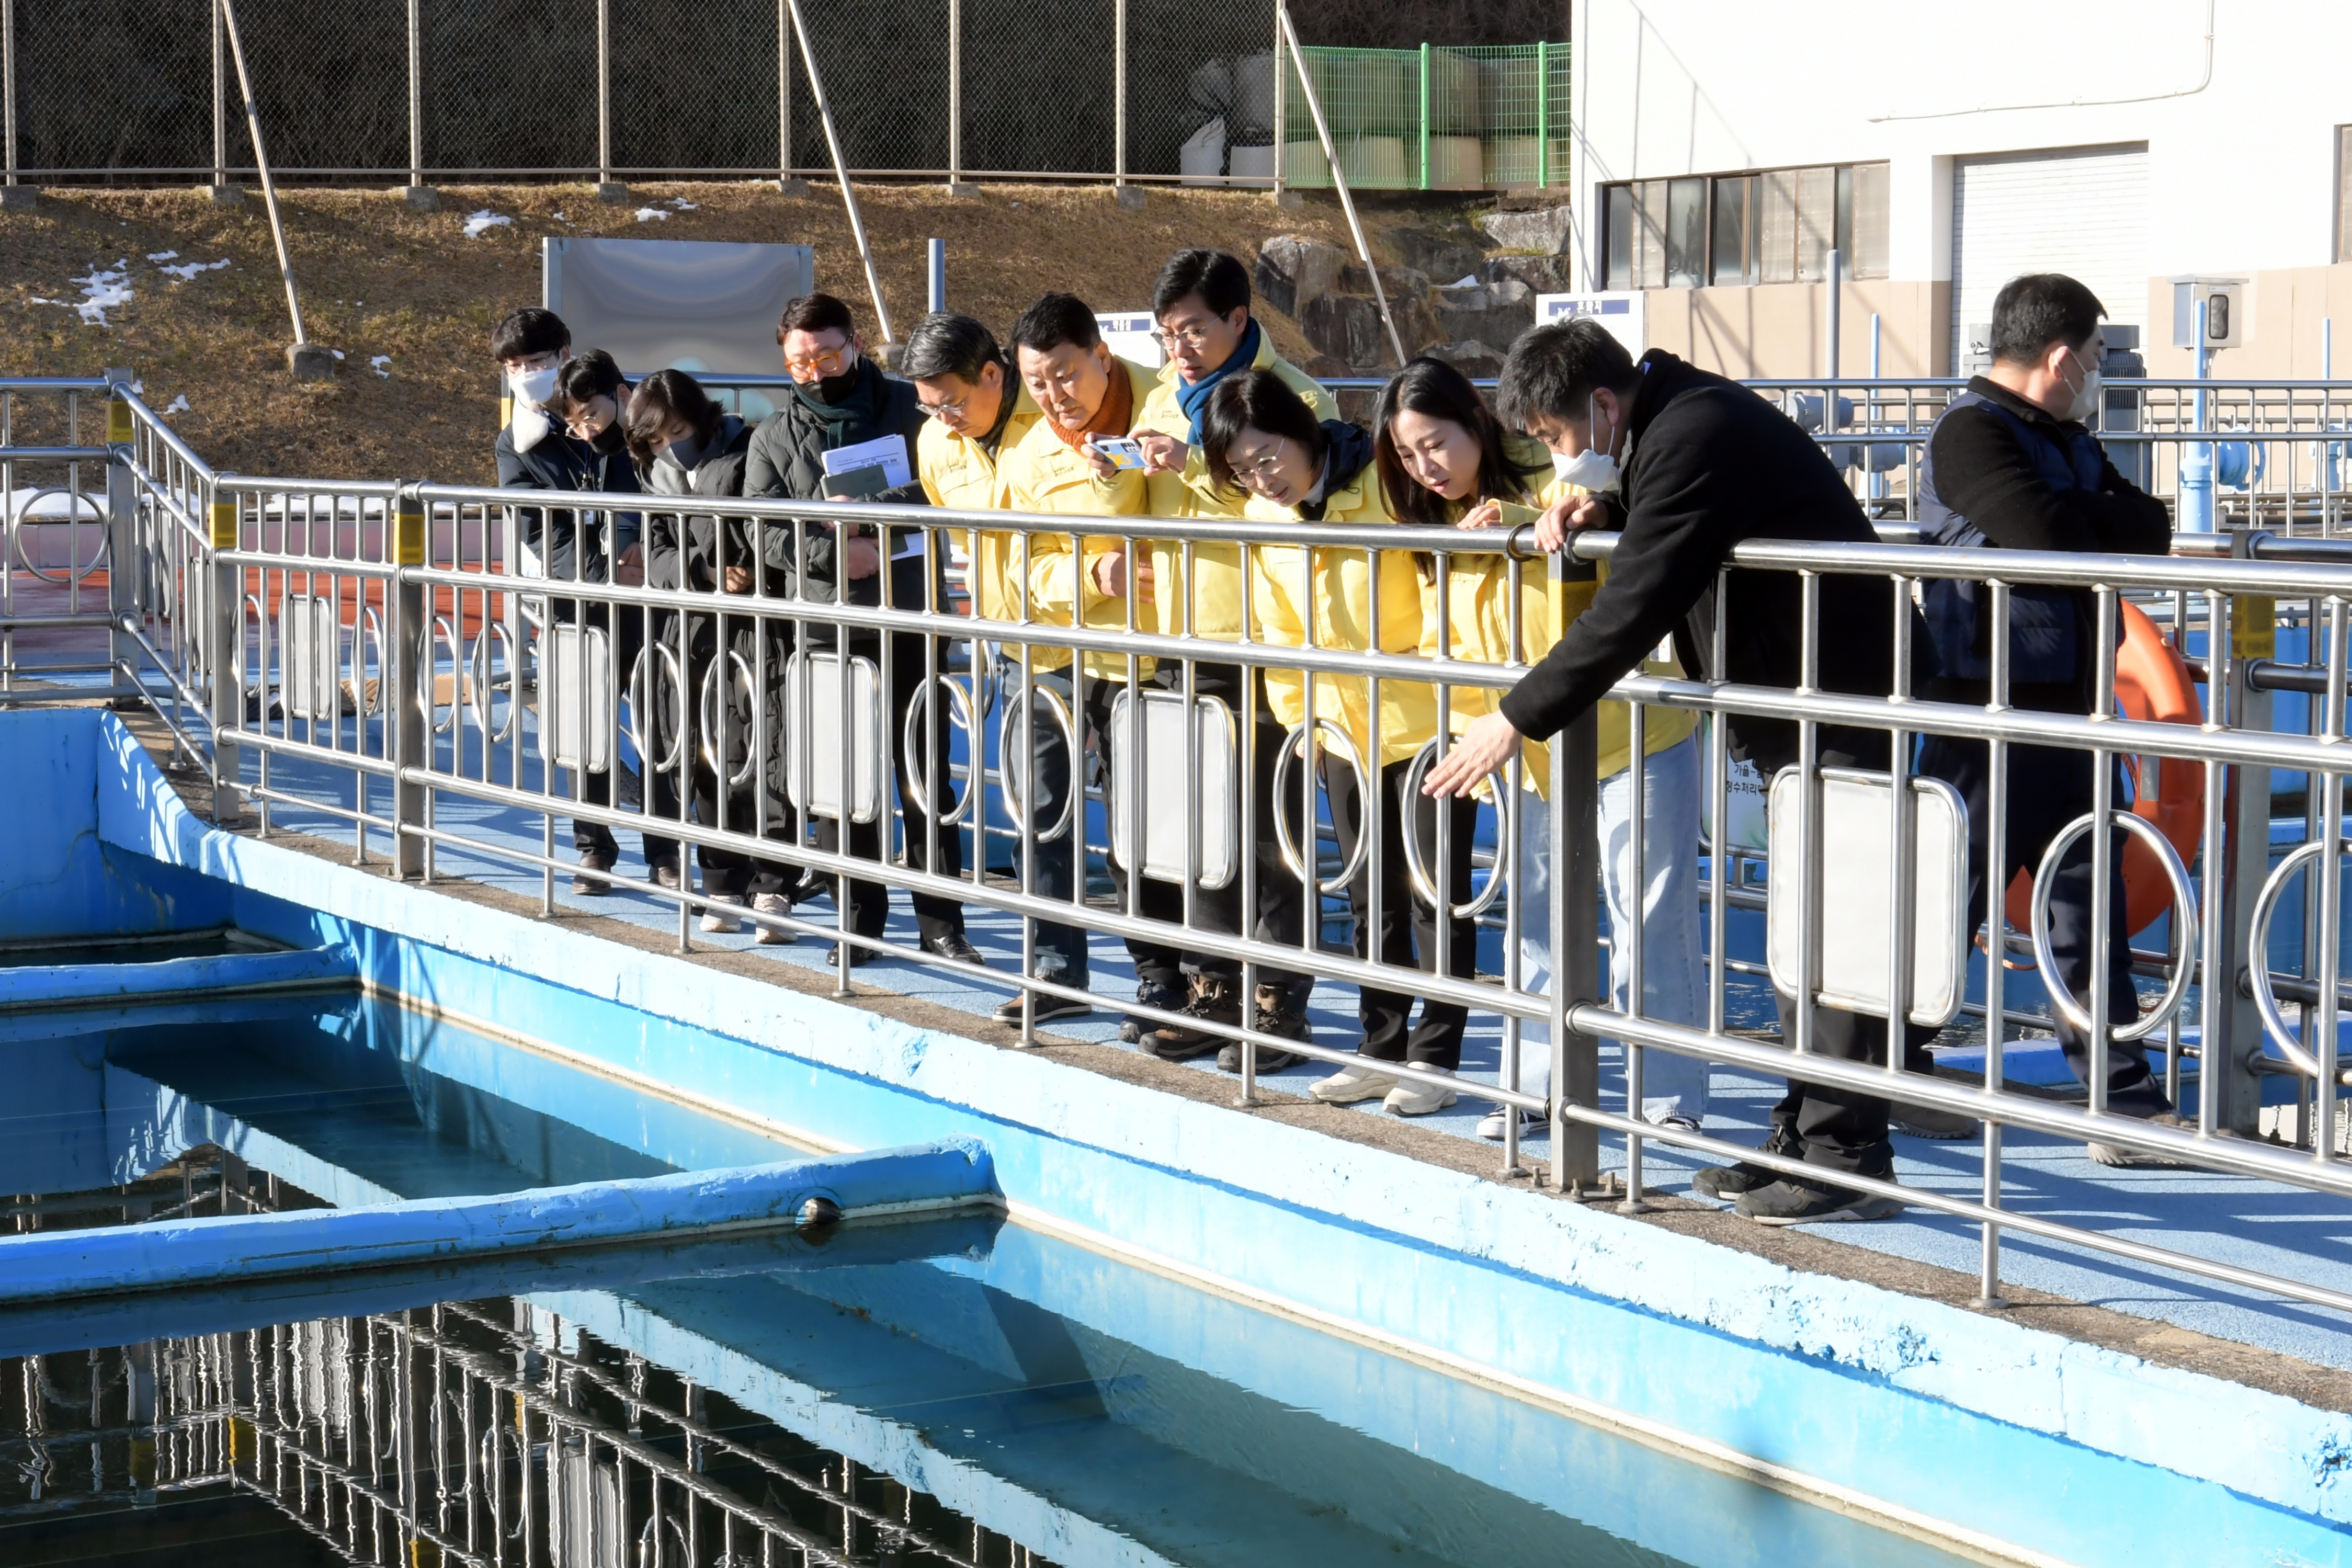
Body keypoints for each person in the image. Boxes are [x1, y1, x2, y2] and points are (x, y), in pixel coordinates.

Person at [1427, 318, 1912, 1224]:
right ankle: (1803, 1132)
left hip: (1846, 702)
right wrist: (1600, 505)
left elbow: (1632, 606)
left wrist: (1511, 717)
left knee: (1834, 928)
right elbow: (1665, 522)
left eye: (1558, 439)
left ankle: (1848, 1155)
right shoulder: (1673, 417)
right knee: (1802, 928)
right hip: (1798, 702)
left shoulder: (1693, 432)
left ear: (1604, 407)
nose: (1559, 459)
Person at [1379, 357, 1707, 1142]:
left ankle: (1665, 1101)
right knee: (1532, 922)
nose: (1427, 466)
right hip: (1525, 752)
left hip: (1631, 735)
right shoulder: (1435, 527)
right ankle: (1534, 1089)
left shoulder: (1554, 475)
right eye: (1407, 454)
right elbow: (1444, 646)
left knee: (1649, 918)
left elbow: (1621, 575)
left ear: (1474, 423)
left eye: (1437, 444)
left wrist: (1552, 527)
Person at [1914, 272, 2183, 1164]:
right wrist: (2089, 521)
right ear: (2062, 358)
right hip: (1981, 712)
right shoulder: (1966, 432)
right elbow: (2039, 531)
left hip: (2072, 709)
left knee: (2085, 900)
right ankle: (1890, 1062)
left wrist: (2086, 522)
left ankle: (2117, 1089)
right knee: (1945, 896)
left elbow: (2150, 526)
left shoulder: (2066, 438)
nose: (2098, 373)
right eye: (2098, 356)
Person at [1211, 369, 1462, 1115]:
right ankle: (1379, 1046)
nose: (1262, 478)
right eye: (1242, 470)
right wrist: (1304, 725)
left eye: (1267, 457)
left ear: (1301, 431)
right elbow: (1280, 634)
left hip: (1425, 727)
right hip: (1342, 733)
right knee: (1367, 896)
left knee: (1435, 897)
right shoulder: (1266, 518)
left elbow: (1445, 584)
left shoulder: (1384, 486)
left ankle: (1436, 1056)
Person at [1117, 248, 1340, 1057]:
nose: (1178, 345)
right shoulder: (1166, 400)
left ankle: (1279, 999)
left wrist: (1200, 474)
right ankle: (1213, 986)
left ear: (1239, 322)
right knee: (1194, 822)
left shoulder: (1296, 399)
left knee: (1268, 831)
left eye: (1194, 329)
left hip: (1264, 643)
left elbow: (1297, 510)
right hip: (1179, 638)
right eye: (1166, 331)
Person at [745, 293, 976, 971]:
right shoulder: (773, 436)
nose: (816, 371)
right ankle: (859, 919)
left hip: (909, 617)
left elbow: (948, 482)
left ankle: (941, 921)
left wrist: (872, 514)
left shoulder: (910, 409)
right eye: (800, 362)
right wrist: (831, 554)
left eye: (828, 355)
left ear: (856, 342)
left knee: (922, 774)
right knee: (845, 780)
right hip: (827, 630)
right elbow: (759, 527)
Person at [993, 292, 1157, 1029]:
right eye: (1037, 383)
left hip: (1151, 656)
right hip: (1055, 650)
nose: (1055, 396)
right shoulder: (1027, 454)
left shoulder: (1166, 411)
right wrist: (1093, 577)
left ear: (1102, 354)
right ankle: (1053, 967)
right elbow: (1014, 570)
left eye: (1065, 374)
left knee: (1144, 825)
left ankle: (1163, 976)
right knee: (1042, 808)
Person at [491, 312, 674, 894]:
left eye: (538, 363)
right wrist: (602, 574)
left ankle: (664, 851)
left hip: (653, 602)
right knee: (585, 727)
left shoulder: (625, 415)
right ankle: (594, 847)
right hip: (579, 603)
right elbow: (542, 531)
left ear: (565, 354)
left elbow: (669, 492)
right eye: (516, 367)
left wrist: (651, 555)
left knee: (659, 725)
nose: (528, 376)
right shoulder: (518, 445)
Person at [627, 368, 804, 944]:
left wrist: (744, 568)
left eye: (677, 429)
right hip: (690, 630)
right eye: (656, 439)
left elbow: (768, 524)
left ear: (701, 416)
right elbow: (653, 553)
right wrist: (700, 573)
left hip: (755, 628)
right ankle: (721, 881)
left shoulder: (746, 447)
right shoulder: (654, 480)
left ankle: (775, 881)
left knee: (766, 747)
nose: (670, 446)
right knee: (701, 752)